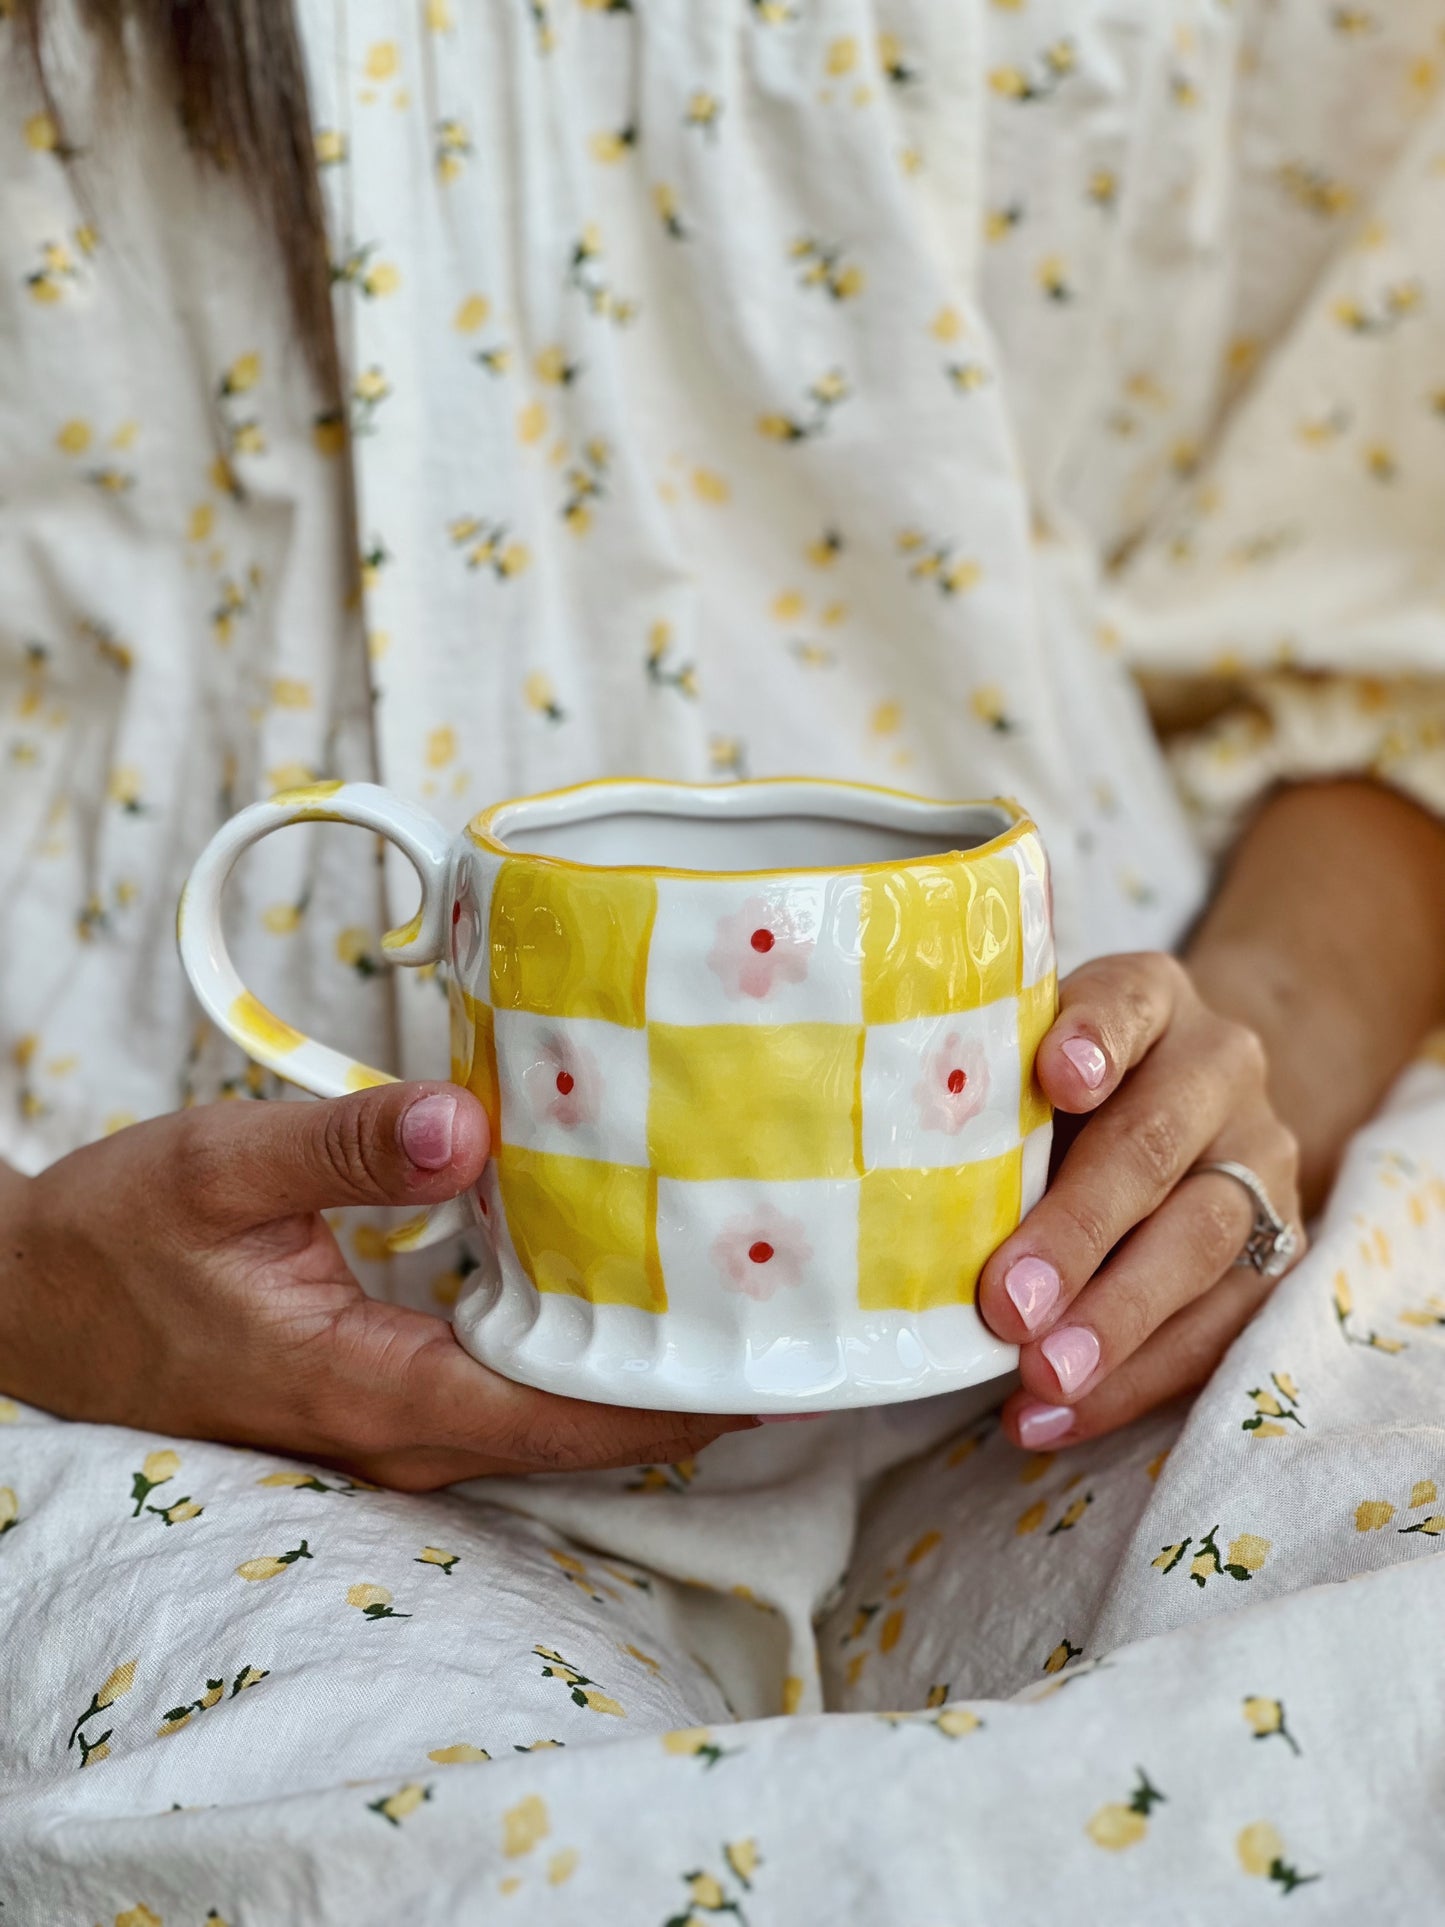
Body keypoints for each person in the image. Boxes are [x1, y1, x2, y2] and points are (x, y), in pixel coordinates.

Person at [2, 2, 1444, 1917]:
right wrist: (26, 1288)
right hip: (133, 1395)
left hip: (1058, 1345)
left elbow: (1373, 637)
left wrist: (1240, 1078)